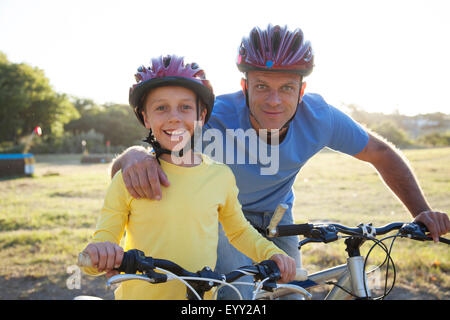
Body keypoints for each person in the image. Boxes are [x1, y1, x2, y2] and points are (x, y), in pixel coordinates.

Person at [110, 25, 450, 299]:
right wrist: (135, 156)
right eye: (261, 86)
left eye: (286, 88)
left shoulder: (320, 118)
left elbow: (382, 153)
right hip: (221, 217)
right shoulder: (215, 116)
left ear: (301, 91)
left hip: (277, 217)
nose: (274, 100)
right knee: (237, 293)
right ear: (244, 86)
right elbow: (148, 150)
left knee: (290, 292)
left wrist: (420, 210)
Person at [81, 54, 296, 300]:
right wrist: (99, 253)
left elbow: (238, 231)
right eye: (161, 108)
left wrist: (271, 253)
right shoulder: (129, 179)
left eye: (185, 107)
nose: (174, 117)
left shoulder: (220, 176)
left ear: (201, 116)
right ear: (146, 117)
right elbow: (99, 246)